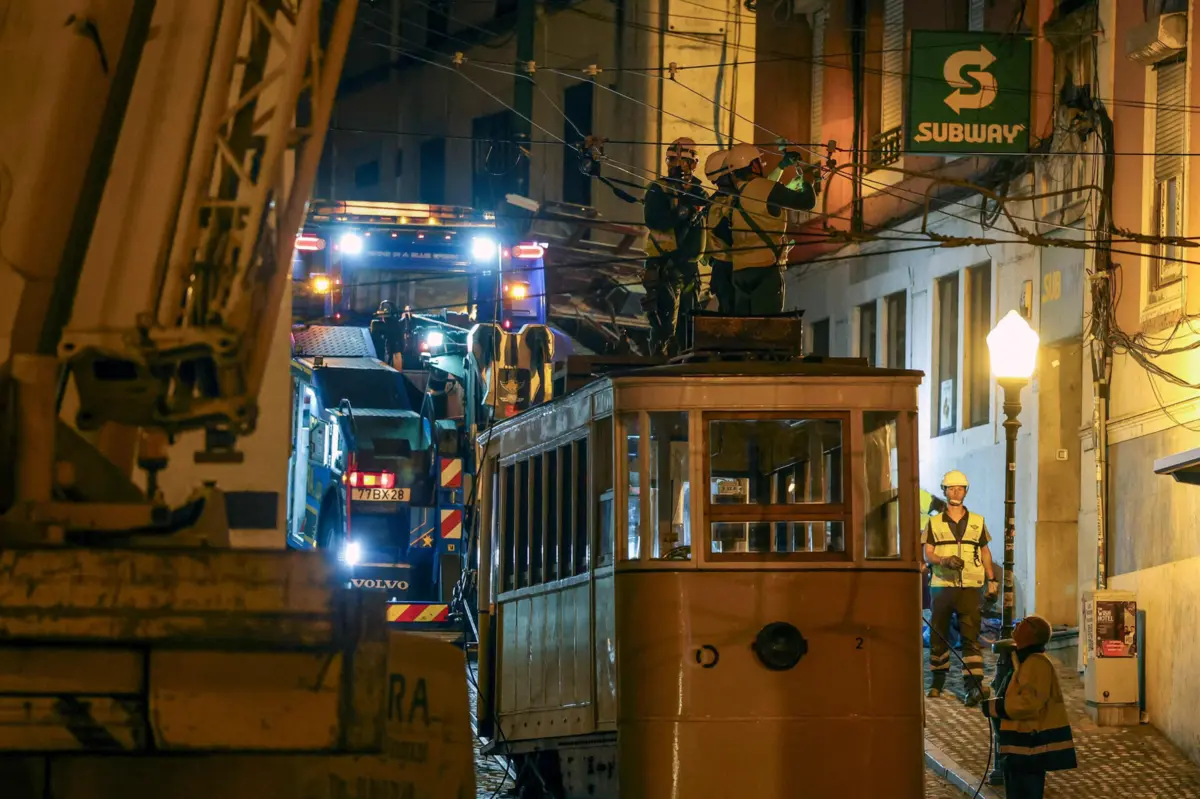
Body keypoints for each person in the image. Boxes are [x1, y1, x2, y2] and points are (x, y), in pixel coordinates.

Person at [923, 469, 1000, 706]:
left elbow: (985, 551)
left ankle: (973, 687)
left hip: (970, 587)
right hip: (942, 586)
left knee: (970, 638)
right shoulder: (934, 522)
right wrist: (943, 560)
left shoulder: (978, 521)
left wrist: (992, 579)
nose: (956, 492)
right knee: (939, 636)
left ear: (966, 491)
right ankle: (937, 682)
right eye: (951, 488)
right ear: (944, 491)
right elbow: (926, 552)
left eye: (960, 488)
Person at [981, 615, 1078, 797]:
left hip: (1029, 750)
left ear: (1032, 635)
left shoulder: (1036, 663)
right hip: (1020, 749)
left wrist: (995, 708)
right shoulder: (1023, 661)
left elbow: (1027, 704)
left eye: (1025, 622)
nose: (1018, 623)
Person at [722, 143, 819, 315]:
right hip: (765, 268)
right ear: (753, 165)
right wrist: (807, 181)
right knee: (766, 328)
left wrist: (782, 166)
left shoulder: (733, 198)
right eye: (759, 162)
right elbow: (806, 202)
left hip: (739, 272)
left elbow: (762, 191)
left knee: (744, 328)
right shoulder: (765, 189)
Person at [642, 137, 707, 355]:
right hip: (663, 263)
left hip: (688, 266)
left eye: (679, 161)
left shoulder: (699, 192)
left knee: (688, 318)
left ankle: (682, 352)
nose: (674, 165)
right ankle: (660, 354)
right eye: (670, 160)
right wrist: (682, 212)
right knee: (664, 319)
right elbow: (654, 220)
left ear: (693, 164)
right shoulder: (658, 189)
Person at [702, 149, 736, 314]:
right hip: (727, 268)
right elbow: (726, 234)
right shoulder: (719, 204)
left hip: (725, 268)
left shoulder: (715, 202)